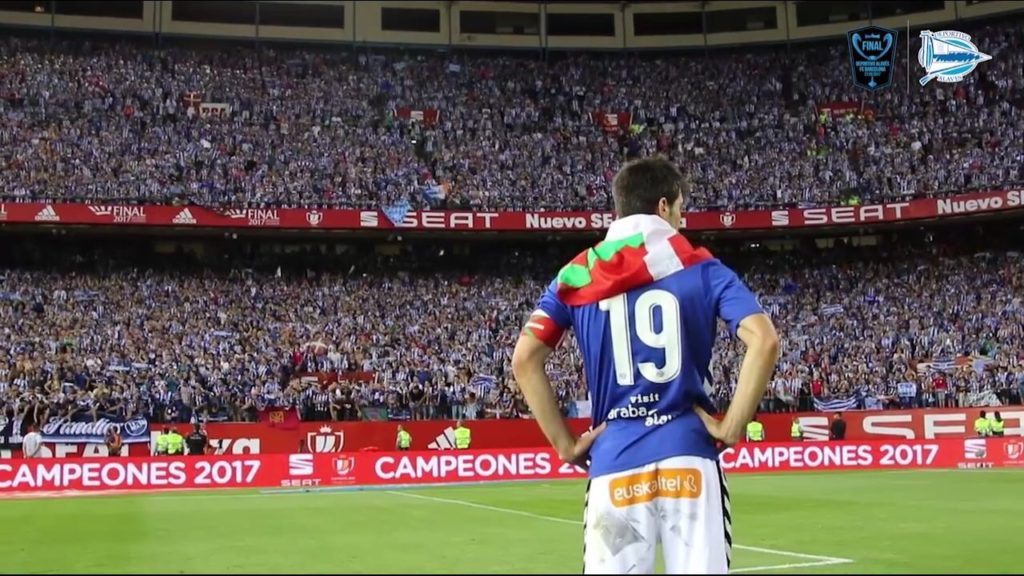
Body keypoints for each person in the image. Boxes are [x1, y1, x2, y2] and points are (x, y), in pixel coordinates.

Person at [512, 157, 779, 575]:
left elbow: (525, 359)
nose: (682, 218)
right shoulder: (703, 268)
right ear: (662, 207)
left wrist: (566, 446)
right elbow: (764, 340)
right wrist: (731, 427)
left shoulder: (575, 275)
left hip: (615, 463)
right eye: (680, 208)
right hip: (688, 458)